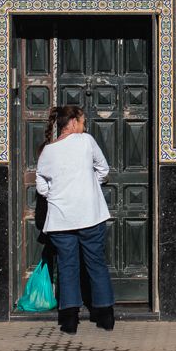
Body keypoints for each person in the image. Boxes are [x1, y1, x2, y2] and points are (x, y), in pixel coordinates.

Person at [35, 104, 115, 334]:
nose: (84, 127)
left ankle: (69, 321)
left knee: (68, 267)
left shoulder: (48, 151)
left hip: (61, 220)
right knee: (96, 264)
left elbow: (42, 187)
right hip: (90, 215)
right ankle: (105, 317)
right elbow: (103, 168)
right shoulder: (86, 141)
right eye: (82, 122)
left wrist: (59, 194)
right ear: (72, 123)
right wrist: (90, 185)